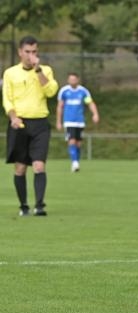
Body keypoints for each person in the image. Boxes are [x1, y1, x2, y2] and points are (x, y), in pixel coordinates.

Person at [2, 36, 58, 216]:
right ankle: (23, 205)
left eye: (34, 52)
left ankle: (39, 205)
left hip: (40, 123)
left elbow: (51, 91)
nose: (31, 55)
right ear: (20, 52)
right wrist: (13, 117)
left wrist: (38, 70)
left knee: (39, 165)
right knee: (20, 167)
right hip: (19, 124)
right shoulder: (10, 73)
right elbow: (7, 98)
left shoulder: (45, 71)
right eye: (27, 52)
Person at [56, 73, 99, 172]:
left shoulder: (83, 91)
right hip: (69, 121)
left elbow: (90, 103)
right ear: (68, 80)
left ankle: (76, 162)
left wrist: (95, 114)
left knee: (78, 144)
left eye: (74, 79)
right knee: (72, 141)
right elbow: (60, 106)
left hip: (80, 121)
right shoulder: (64, 91)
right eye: (70, 79)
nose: (72, 81)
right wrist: (59, 121)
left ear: (77, 80)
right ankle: (74, 162)